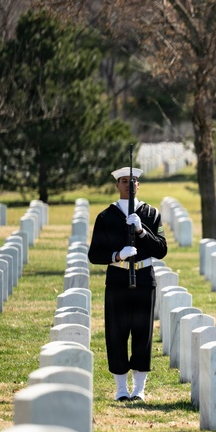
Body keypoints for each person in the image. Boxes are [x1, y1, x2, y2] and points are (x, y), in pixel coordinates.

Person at [88, 166, 168, 401]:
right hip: (118, 278)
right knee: (117, 332)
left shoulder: (150, 214)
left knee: (143, 332)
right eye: (124, 181)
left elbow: (161, 250)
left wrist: (142, 231)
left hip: (144, 278)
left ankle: (139, 389)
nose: (129, 185)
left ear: (138, 184)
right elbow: (94, 254)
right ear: (117, 185)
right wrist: (117, 255)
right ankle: (121, 388)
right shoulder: (106, 216)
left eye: (132, 181)